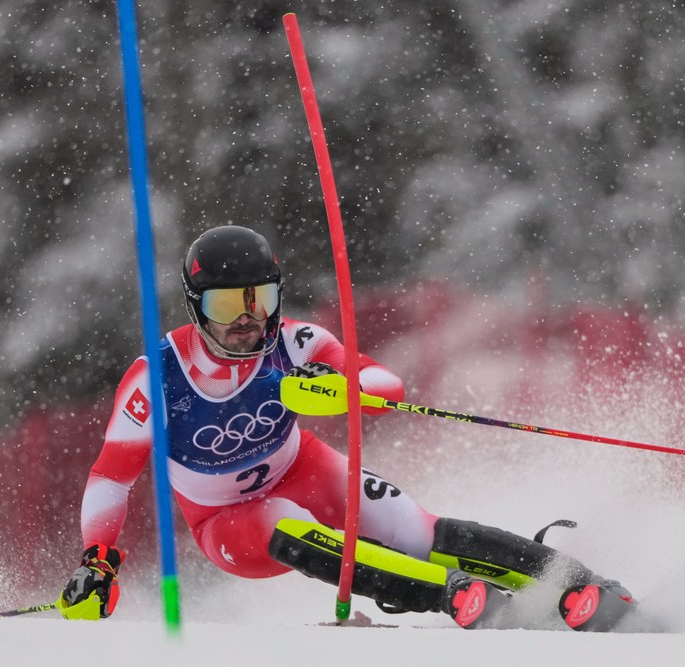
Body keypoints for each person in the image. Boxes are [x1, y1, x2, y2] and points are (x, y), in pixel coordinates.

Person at [57, 225, 637, 631]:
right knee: (288, 522)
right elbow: (111, 477)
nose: (246, 320)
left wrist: (344, 390)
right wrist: (96, 561)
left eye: (260, 299)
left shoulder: (294, 342)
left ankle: (580, 583)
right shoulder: (155, 379)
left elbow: (386, 387)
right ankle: (451, 594)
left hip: (301, 467)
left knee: (408, 525)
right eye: (226, 304)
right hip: (226, 522)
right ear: (194, 305)